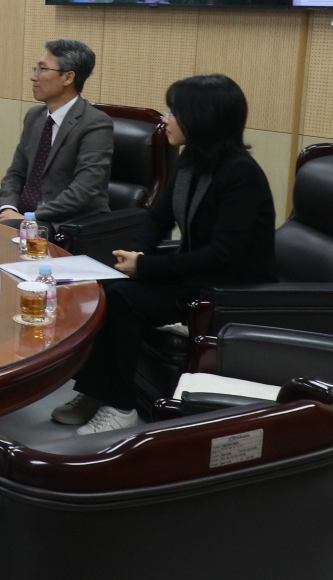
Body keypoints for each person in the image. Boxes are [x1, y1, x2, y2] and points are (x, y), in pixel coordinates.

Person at [52, 74, 277, 435]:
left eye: (174, 112)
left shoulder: (241, 175)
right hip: (196, 275)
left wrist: (148, 267)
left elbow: (224, 255)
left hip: (228, 290)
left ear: (202, 118)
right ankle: (97, 392)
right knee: (106, 288)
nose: (165, 119)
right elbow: (158, 218)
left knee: (123, 300)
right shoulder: (192, 160)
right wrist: (135, 256)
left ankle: (121, 406)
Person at [0, 38, 113, 227]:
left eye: (42, 69)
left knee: (1, 232)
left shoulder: (95, 123)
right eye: (35, 69)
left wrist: (29, 218)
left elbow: (85, 190)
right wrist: (8, 207)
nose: (34, 77)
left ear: (68, 78)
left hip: (60, 221)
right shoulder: (35, 116)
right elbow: (15, 173)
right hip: (19, 215)